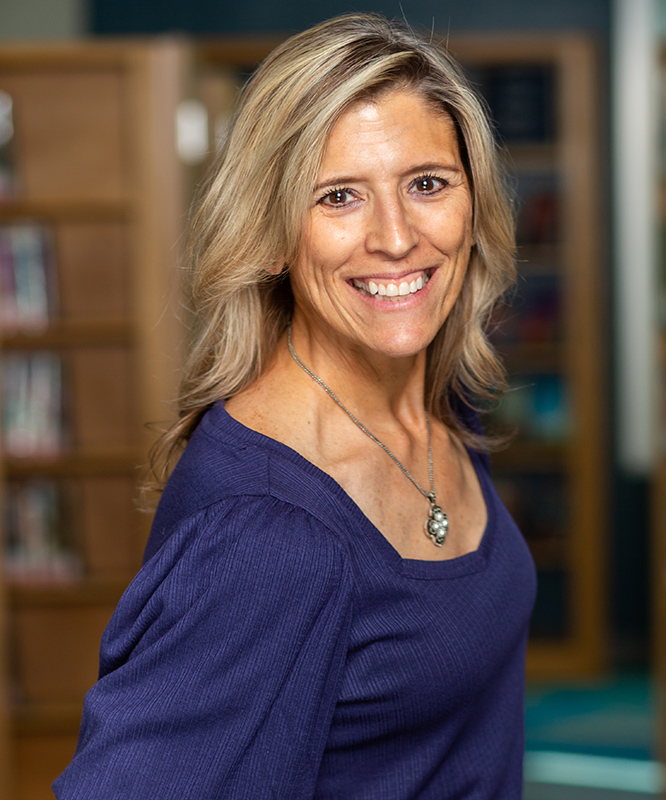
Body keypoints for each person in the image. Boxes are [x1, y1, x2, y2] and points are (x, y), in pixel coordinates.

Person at [54, 12, 536, 799]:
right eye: (339, 197)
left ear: (474, 202)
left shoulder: (440, 396)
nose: (396, 236)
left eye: (426, 184)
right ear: (273, 235)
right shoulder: (268, 537)